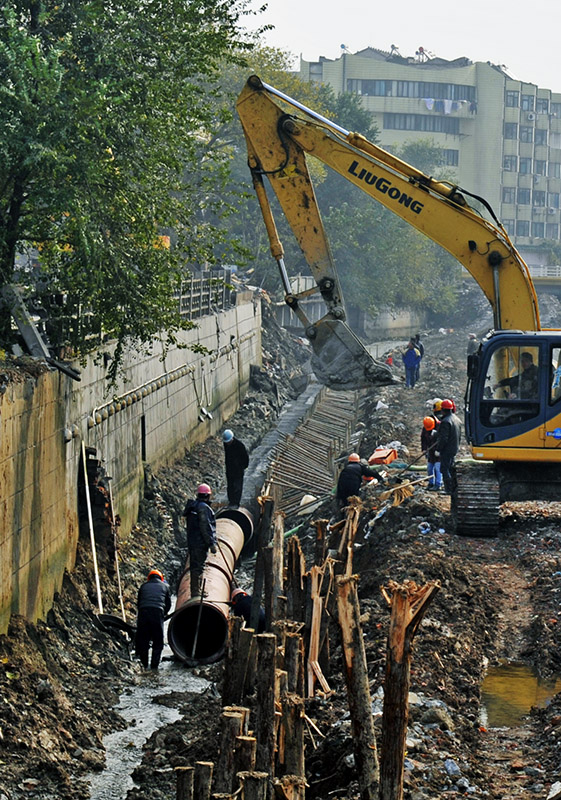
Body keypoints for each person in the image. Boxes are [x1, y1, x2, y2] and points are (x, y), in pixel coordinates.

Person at [182, 483, 218, 597]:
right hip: (200, 543)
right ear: (207, 496)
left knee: (194, 566)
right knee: (199, 567)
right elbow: (206, 527)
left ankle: (196, 590)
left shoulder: (193, 506)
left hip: (192, 541)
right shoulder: (203, 508)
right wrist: (211, 543)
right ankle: (197, 591)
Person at [135, 569, 171, 670]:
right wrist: (163, 614)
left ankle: (144, 664)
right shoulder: (165, 587)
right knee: (158, 640)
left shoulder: (144, 586)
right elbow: (168, 604)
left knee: (143, 639)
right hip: (157, 612)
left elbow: (139, 603)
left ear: (149, 578)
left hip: (144, 612)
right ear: (161, 578)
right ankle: (154, 666)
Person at [435, 399, 461, 494]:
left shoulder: (446, 421)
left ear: (443, 409)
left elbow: (444, 438)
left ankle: (448, 490)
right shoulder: (456, 419)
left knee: (444, 468)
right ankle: (453, 488)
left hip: (447, 449)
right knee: (450, 468)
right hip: (454, 448)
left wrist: (438, 449)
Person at [223, 429, 249, 508]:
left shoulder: (239, 446)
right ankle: (231, 502)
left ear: (232, 439)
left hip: (238, 471)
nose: (227, 443)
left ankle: (236, 503)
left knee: (237, 487)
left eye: (228, 442)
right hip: (230, 470)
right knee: (230, 487)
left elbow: (245, 458)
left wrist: (241, 467)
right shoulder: (226, 445)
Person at [421, 416, 441, 491]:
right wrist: (424, 449)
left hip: (438, 451)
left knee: (437, 468)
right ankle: (431, 483)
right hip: (431, 451)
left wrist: (438, 450)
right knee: (429, 468)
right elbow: (423, 439)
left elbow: (443, 439)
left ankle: (438, 484)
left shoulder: (440, 426)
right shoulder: (426, 427)